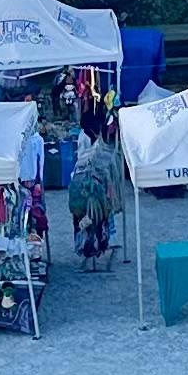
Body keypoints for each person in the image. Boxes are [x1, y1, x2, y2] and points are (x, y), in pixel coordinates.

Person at [68, 104, 127, 264]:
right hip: (86, 181)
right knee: (92, 218)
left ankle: (97, 243)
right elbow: (83, 159)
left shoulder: (90, 139)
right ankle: (92, 245)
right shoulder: (86, 138)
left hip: (92, 180)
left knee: (95, 219)